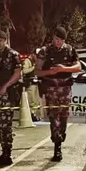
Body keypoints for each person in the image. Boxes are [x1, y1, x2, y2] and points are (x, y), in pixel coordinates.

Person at [35, 26, 81, 162]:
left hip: (65, 89)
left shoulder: (70, 50)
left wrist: (64, 69)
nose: (58, 42)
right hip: (51, 89)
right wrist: (50, 72)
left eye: (60, 40)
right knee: (53, 117)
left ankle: (62, 134)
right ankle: (57, 146)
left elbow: (78, 67)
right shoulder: (45, 51)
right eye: (56, 39)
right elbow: (36, 71)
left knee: (64, 116)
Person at [0, 31, 23, 166]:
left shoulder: (13, 55)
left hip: (7, 94)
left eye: (0, 40)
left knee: (6, 124)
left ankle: (7, 153)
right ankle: (3, 151)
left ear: (5, 40)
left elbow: (18, 74)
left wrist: (5, 86)